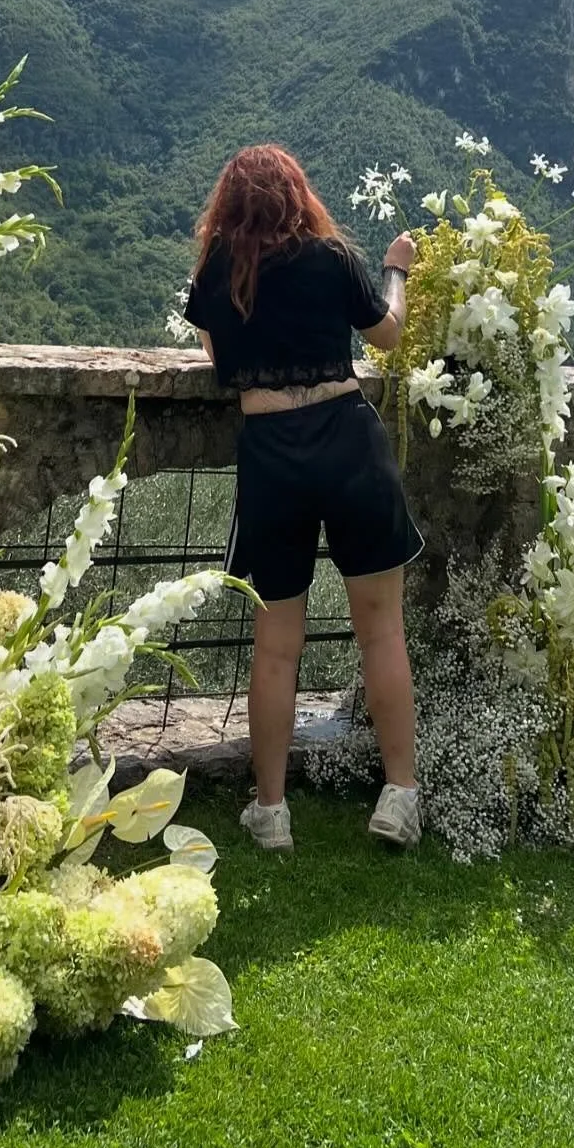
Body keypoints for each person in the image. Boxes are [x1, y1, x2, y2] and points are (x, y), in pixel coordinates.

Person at [182, 143, 424, 852]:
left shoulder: (221, 270)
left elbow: (218, 357)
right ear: (299, 195)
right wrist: (396, 268)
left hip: (272, 452)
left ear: (228, 204)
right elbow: (390, 331)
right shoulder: (330, 254)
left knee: (277, 644)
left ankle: (271, 809)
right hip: (348, 438)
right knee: (381, 628)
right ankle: (399, 794)